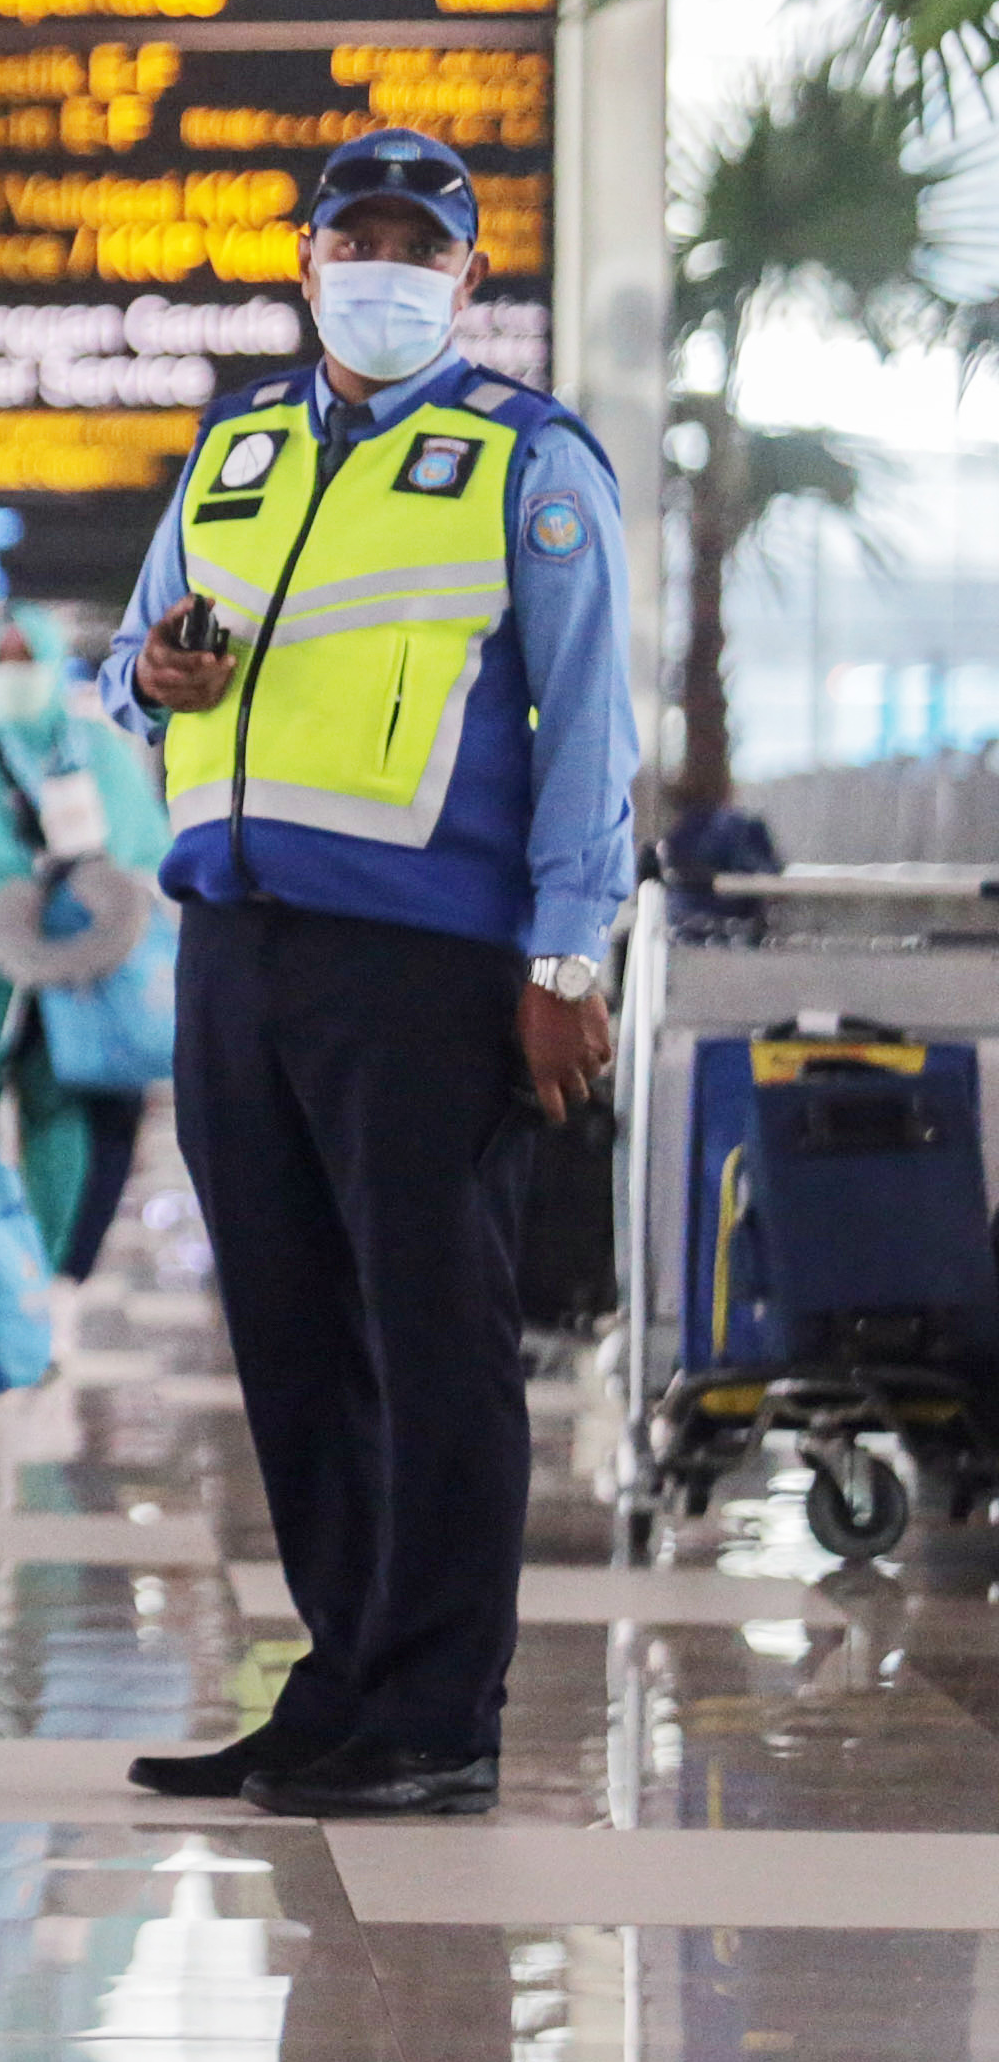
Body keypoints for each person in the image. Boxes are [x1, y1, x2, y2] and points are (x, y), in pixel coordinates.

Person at [106, 130, 631, 1821]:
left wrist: (567, 952)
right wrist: (165, 672)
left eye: (423, 242)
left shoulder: (528, 460)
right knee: (288, 1328)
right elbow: (136, 663)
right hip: (235, 943)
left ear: (471, 279)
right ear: (309, 257)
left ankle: (440, 1711)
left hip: (427, 963)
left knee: (433, 1335)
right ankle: (344, 1680)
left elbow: (588, 727)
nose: (386, 264)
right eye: (360, 237)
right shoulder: (239, 443)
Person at [0, 606, 173, 1280]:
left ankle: (56, 1276)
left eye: (29, 659)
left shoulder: (96, 753)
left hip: (83, 959)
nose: (15, 674)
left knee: (69, 1108)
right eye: (3, 659)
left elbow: (144, 852)